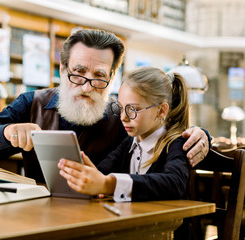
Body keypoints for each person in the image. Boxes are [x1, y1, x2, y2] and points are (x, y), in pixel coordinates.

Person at [0, 29, 210, 183]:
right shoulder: (32, 103)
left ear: (112, 78)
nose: (87, 86)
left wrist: (201, 135)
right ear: (62, 69)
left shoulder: (122, 115)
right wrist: (7, 133)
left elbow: (164, 131)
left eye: (99, 76)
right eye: (78, 73)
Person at [57, 66, 194, 239]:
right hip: (137, 231)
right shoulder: (129, 142)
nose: (123, 117)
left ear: (161, 110)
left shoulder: (177, 143)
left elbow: (174, 183)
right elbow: (103, 171)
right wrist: (92, 175)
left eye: (133, 109)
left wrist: (109, 184)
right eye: (121, 108)